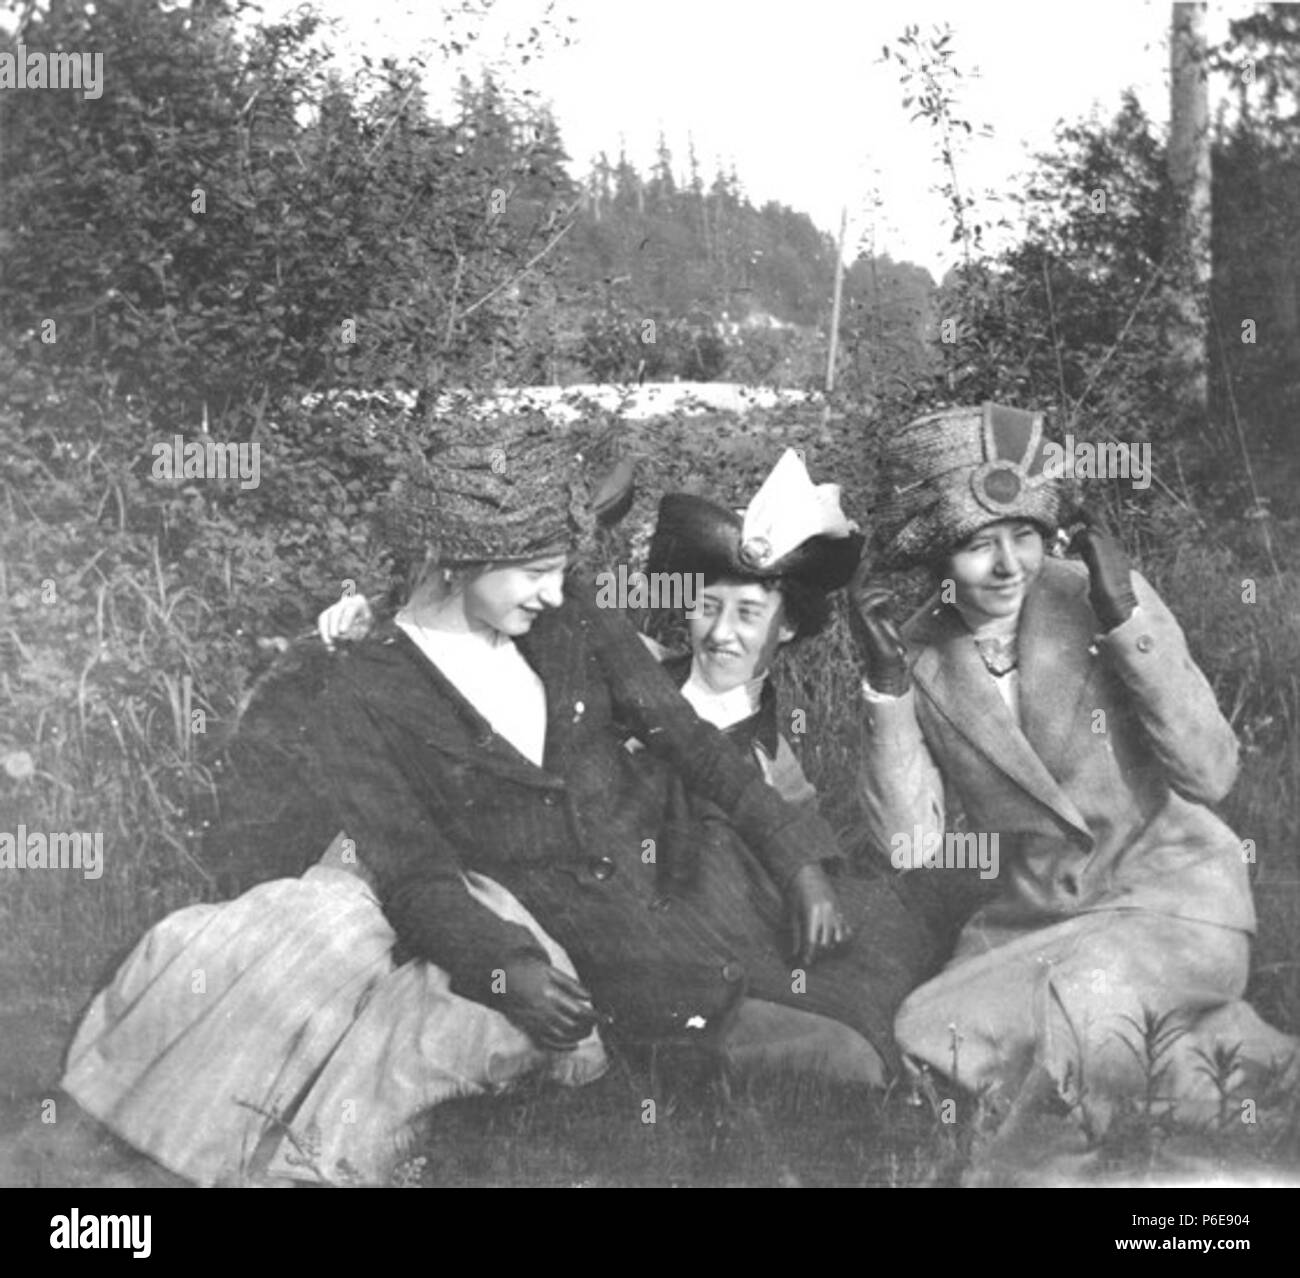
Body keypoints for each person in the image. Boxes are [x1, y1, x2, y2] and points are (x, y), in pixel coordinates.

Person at [60, 420, 938, 1185]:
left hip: (672, 890)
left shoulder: (569, 622)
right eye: (535, 572)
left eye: (561, 569)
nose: (554, 592)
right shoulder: (367, 692)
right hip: (563, 928)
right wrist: (502, 967)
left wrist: (798, 858)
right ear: (460, 560)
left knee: (857, 1026)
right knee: (759, 1055)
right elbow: (413, 869)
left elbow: (691, 742)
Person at [850, 401, 1298, 1155]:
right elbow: (910, 848)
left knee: (1075, 1014)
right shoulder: (920, 653)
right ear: (933, 556)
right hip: (1037, 924)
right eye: (977, 546)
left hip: (1172, 904)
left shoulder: (1095, 597)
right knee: (927, 1031)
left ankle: (1086, 1130)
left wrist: (1126, 620)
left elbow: (1213, 774)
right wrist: (886, 688)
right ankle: (1233, 1062)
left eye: (1023, 534)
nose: (1007, 566)